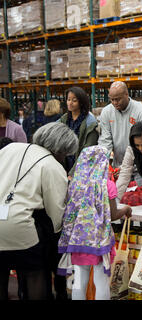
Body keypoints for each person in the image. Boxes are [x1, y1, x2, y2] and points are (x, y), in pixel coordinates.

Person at [0, 122, 79, 300]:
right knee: (35, 273)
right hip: (20, 225)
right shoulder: (52, 165)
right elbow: (56, 212)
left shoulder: (11, 148)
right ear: (61, 150)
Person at [57, 145, 132, 300]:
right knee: (101, 281)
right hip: (99, 241)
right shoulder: (107, 185)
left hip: (77, 241)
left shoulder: (75, 184)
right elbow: (112, 214)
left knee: (78, 280)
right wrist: (126, 210)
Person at [98, 81, 142, 171]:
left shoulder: (140, 111)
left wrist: (127, 167)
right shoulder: (107, 112)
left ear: (126, 94)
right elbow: (105, 140)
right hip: (117, 165)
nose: (114, 103)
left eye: (118, 99)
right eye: (112, 99)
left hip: (138, 166)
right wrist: (105, 164)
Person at [59, 86, 99, 178]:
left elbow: (87, 151)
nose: (70, 103)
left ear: (81, 102)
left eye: (74, 100)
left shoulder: (90, 122)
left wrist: (73, 173)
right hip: (65, 165)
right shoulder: (64, 119)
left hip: (82, 169)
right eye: (68, 99)